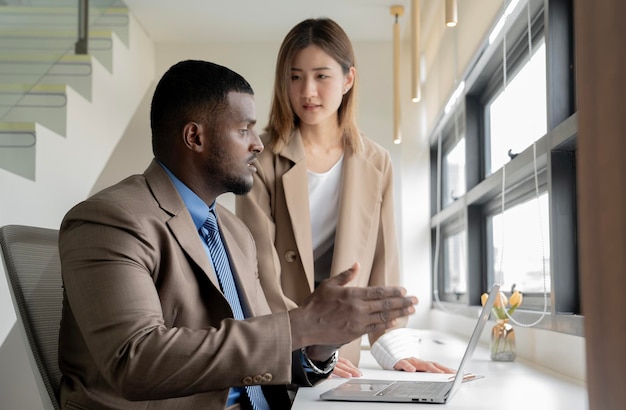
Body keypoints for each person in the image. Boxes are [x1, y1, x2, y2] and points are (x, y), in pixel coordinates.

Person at [57, 59, 418, 410]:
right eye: (244, 130)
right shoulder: (112, 220)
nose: (257, 145)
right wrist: (300, 325)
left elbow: (259, 349)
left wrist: (317, 346)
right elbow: (135, 361)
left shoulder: (234, 232)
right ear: (195, 137)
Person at [236, 18, 454, 377]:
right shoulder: (261, 157)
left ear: (348, 79)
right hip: (280, 338)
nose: (307, 91)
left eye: (322, 76)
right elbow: (257, 267)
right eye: (295, 76)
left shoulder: (376, 161)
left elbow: (383, 261)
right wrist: (304, 346)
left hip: (344, 347)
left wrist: (393, 348)